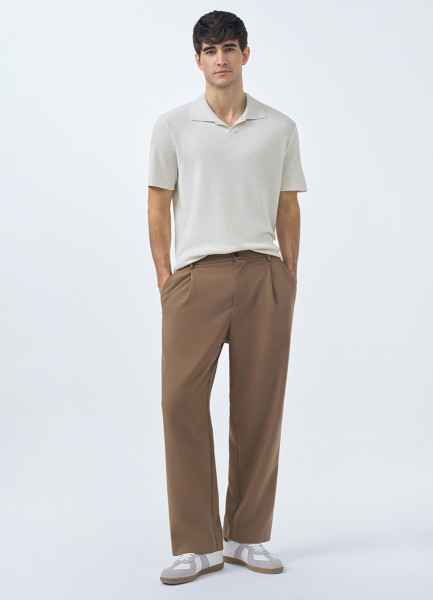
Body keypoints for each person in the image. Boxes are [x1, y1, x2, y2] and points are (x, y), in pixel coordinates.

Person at [147, 10, 307, 585]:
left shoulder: (279, 127)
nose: (221, 59)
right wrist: (167, 280)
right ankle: (197, 544)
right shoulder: (172, 125)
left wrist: (287, 278)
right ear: (197, 59)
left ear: (245, 54)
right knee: (180, 404)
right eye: (210, 50)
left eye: (230, 48)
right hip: (195, 278)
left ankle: (247, 536)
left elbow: (288, 205)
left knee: (259, 405)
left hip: (263, 274)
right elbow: (158, 204)